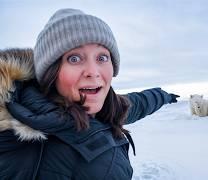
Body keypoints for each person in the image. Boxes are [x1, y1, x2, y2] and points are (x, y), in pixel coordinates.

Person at [0, 8, 179, 180]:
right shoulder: (18, 145)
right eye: (74, 58)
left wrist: (163, 95)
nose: (93, 72)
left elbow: (136, 103)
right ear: (51, 72)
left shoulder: (107, 109)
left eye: (102, 58)